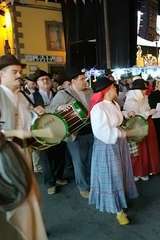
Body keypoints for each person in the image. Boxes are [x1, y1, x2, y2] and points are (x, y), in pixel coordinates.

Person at [0, 54, 48, 239]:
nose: (19, 75)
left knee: (31, 198)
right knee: (18, 202)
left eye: (20, 71)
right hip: (5, 159)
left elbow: (28, 123)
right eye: (14, 72)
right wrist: (12, 134)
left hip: (24, 153)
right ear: (1, 75)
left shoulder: (22, 96)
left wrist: (37, 116)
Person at [88, 75, 138, 225]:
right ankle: (117, 210)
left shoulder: (114, 104)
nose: (116, 88)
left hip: (118, 143)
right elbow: (101, 131)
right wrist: (123, 133)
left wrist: (125, 114)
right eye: (114, 87)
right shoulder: (98, 107)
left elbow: (115, 118)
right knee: (112, 175)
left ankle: (121, 200)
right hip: (107, 145)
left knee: (121, 172)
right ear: (108, 90)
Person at [49, 68, 93, 198]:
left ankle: (92, 183)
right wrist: (58, 108)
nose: (85, 81)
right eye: (82, 79)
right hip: (75, 134)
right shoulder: (63, 94)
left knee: (91, 160)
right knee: (79, 162)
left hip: (91, 131)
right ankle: (83, 187)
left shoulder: (89, 91)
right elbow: (50, 110)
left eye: (85, 78)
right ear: (73, 81)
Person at [30, 69, 68, 195]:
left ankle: (58, 177)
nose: (45, 81)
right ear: (36, 83)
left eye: (47, 78)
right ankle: (50, 183)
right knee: (45, 158)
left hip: (58, 129)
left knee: (60, 155)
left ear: (51, 81)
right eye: (42, 79)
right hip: (42, 131)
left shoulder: (58, 94)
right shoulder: (32, 97)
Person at [123, 78, 160, 181]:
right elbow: (134, 116)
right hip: (137, 126)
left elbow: (146, 109)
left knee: (148, 148)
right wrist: (148, 113)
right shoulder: (131, 99)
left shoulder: (144, 97)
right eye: (143, 89)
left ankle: (147, 170)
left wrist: (149, 112)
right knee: (139, 150)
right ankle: (137, 172)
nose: (145, 91)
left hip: (147, 123)